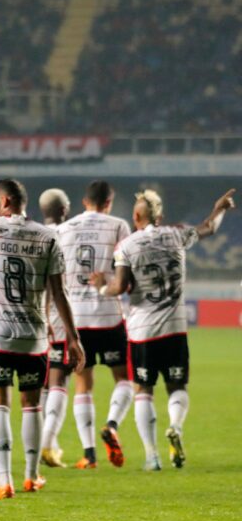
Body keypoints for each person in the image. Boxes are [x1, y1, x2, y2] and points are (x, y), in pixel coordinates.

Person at [91, 188, 235, 470]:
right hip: (175, 327)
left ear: (135, 216)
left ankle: (152, 456)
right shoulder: (176, 234)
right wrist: (219, 208)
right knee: (177, 386)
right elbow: (208, 228)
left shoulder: (127, 246)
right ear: (161, 217)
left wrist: (101, 287)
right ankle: (176, 428)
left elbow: (119, 286)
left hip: (142, 330)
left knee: (143, 389)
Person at [0, 179, 84, 499]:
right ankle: (32, 476)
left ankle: (5, 481)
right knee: (31, 406)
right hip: (33, 336)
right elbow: (59, 292)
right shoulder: (49, 237)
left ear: (5, 201)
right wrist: (72, 337)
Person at [50, 180, 134, 469]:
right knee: (124, 378)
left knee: (83, 384)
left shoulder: (64, 229)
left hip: (76, 319)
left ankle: (89, 454)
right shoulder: (119, 225)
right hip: (108, 315)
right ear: (108, 202)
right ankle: (111, 425)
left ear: (85, 202)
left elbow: (56, 277)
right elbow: (126, 267)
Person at [36, 188, 72, 469]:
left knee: (43, 385)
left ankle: (47, 443)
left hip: (34, 319)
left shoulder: (35, 234)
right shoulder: (71, 233)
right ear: (65, 209)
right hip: (59, 318)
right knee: (60, 381)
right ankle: (47, 444)